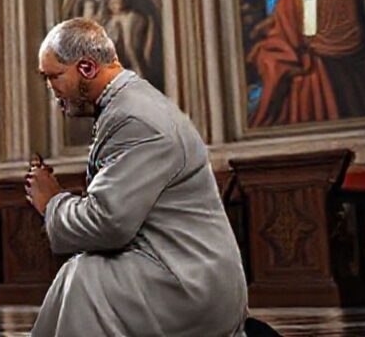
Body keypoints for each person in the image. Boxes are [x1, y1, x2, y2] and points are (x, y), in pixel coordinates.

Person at [26, 18, 247, 336]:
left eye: (54, 77)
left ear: (87, 68)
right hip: (174, 265)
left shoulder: (134, 117)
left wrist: (52, 203)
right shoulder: (125, 105)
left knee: (86, 280)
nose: (52, 92)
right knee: (78, 274)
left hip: (190, 284)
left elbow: (108, 223)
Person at [247, 0, 365, 126]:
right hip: (299, 59)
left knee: (313, 76)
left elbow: (352, 32)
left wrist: (317, 46)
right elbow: (282, 30)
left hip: (338, 63)